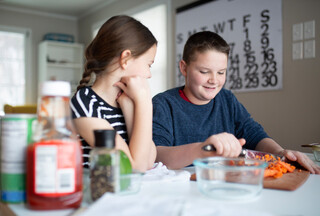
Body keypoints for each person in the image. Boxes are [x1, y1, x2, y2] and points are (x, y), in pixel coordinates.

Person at [152, 31, 320, 174]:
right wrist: (202, 149)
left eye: (221, 72)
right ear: (183, 68)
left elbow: (254, 134)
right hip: (181, 189)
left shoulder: (227, 100)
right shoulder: (163, 104)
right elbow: (157, 155)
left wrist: (280, 152)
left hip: (225, 183)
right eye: (204, 71)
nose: (214, 80)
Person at [70, 15, 157, 172]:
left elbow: (149, 160)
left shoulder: (126, 101)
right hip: (100, 193)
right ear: (126, 59)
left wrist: (130, 108)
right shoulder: (86, 105)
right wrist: (145, 103)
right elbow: (135, 167)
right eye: (148, 64)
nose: (149, 74)